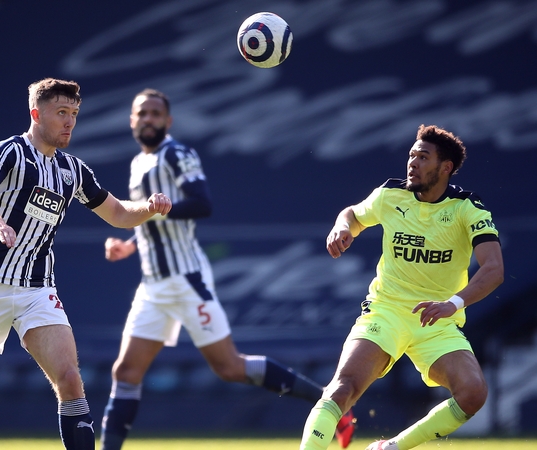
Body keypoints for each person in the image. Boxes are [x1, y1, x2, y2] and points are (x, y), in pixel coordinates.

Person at [0, 78, 172, 450]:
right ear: (35, 113)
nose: (69, 122)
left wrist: (150, 208)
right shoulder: (10, 152)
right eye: (61, 113)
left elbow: (120, 214)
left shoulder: (73, 170)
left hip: (37, 290)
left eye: (74, 114)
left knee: (70, 380)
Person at [99, 88, 357, 450]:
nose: (148, 119)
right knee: (125, 372)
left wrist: (161, 210)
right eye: (142, 113)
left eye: (156, 114)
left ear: (168, 121)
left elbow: (201, 204)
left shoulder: (176, 153)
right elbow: (156, 221)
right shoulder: (138, 163)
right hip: (153, 285)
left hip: (186, 280)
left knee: (230, 368)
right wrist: (129, 244)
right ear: (131, 121)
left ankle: (334, 410)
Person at [298, 124, 504, 450]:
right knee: (342, 388)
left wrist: (453, 304)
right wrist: (342, 227)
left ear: (446, 167)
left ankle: (390, 448)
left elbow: (494, 270)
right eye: (411, 155)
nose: (412, 163)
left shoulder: (468, 209)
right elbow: (353, 213)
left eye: (423, 157)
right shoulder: (390, 195)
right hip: (387, 310)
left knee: (473, 393)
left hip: (437, 319)